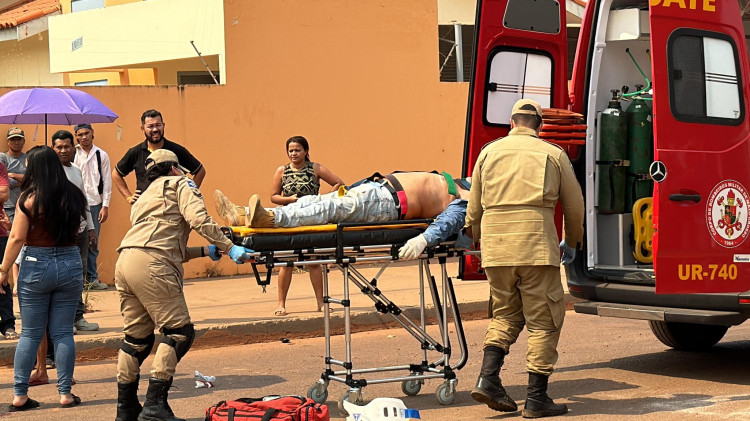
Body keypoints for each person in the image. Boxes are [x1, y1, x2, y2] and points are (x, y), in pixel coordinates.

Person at [464, 99, 584, 418]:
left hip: (497, 249)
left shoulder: (488, 153)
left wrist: (478, 243)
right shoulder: (553, 154)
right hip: (535, 248)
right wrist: (571, 242)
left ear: (511, 122)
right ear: (539, 126)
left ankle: (488, 379)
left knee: (505, 315)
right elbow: (574, 207)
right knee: (544, 321)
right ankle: (536, 398)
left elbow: (473, 207)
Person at [114, 149, 253, 421]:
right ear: (175, 168)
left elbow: (162, 241)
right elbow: (199, 220)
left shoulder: (144, 197)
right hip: (153, 264)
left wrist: (205, 251)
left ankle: (127, 408)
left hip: (126, 262)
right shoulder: (181, 183)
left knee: (136, 340)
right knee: (179, 332)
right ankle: (154, 405)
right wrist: (230, 247)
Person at [1, 145, 88, 412]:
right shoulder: (74, 195)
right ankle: (65, 393)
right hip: (70, 261)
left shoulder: (28, 198)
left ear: (35, 168)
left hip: (36, 264)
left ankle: (20, 395)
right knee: (63, 332)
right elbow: (81, 228)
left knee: (30, 333)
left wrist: (3, 270)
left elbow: (17, 238)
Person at [215, 171, 468, 230]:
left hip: (388, 205)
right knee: (313, 201)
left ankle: (271, 218)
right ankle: (243, 213)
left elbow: (454, 222)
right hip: (376, 190)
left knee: (327, 208)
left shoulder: (468, 198)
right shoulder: (464, 181)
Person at [267, 136, 344, 316]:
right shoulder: (282, 171)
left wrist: (323, 199)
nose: (294, 153)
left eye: (298, 150)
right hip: (290, 220)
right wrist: (288, 200)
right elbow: (273, 196)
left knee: (314, 262)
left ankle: (320, 302)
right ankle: (281, 304)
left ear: (306, 151)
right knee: (287, 263)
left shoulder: (315, 168)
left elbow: (338, 183)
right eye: (291, 150)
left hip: (311, 220)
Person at [112, 109, 205, 205]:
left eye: (158, 125)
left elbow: (200, 171)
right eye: (150, 126)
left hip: (172, 209)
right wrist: (128, 197)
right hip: (145, 209)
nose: (155, 129)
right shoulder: (135, 152)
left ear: (163, 125)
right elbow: (116, 174)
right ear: (142, 128)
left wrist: (189, 194)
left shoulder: (176, 150)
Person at [73, 123, 111, 290]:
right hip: (75, 203)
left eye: (86, 133)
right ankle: (76, 281)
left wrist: (105, 206)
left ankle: (92, 279)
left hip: (95, 204)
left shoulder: (100, 155)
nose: (84, 137)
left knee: (93, 243)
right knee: (74, 242)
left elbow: (107, 181)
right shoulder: (72, 153)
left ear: (92, 133)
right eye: (80, 134)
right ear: (76, 136)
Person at [0, 127, 26, 223]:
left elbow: (35, 179)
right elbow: (4, 183)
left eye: (19, 139)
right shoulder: (2, 158)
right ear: (8, 141)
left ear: (23, 141)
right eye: (13, 139)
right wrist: (24, 181)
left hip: (25, 205)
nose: (16, 142)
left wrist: (12, 175)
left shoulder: (28, 158)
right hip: (7, 207)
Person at [0, 162, 14, 340]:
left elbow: (4, 194)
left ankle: (8, 324)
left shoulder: (0, 166)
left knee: (2, 281)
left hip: (0, 233)